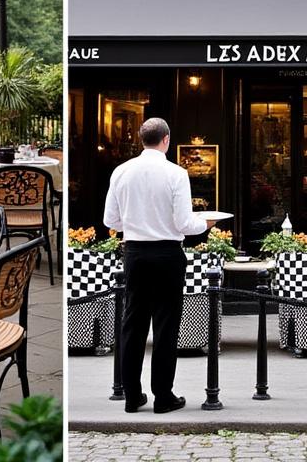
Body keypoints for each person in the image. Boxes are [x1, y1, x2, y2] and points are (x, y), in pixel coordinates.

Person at [104, 118, 213, 413]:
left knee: (133, 323)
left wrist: (135, 221)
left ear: (142, 139)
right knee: (166, 325)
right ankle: (163, 396)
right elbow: (184, 223)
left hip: (135, 253)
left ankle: (131, 396)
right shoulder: (176, 173)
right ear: (166, 139)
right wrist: (206, 223)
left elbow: (110, 220)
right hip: (167, 254)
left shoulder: (121, 171)